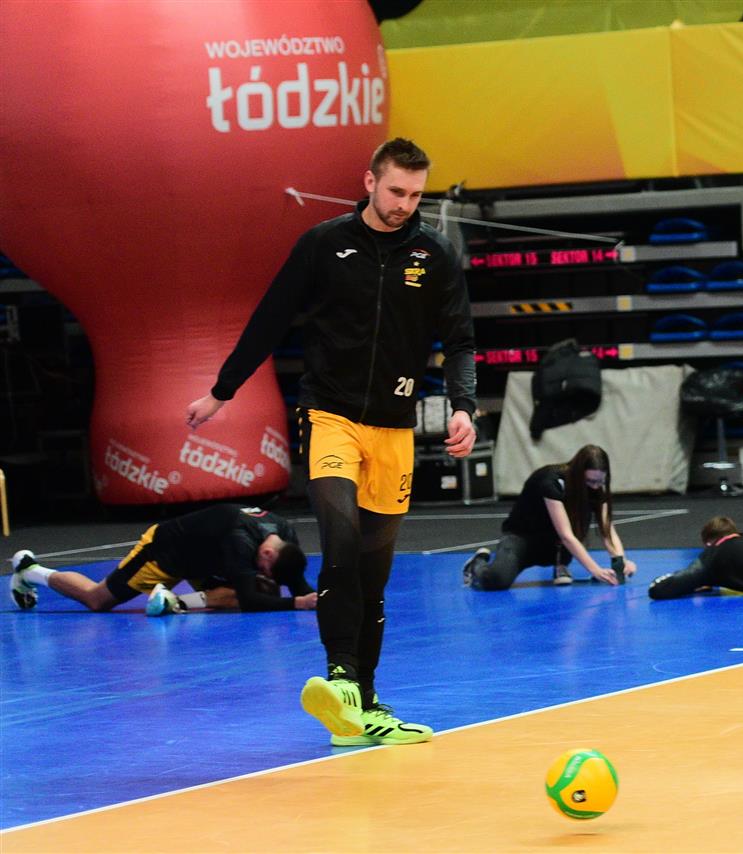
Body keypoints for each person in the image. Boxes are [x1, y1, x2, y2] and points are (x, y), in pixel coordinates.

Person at [186, 138, 477, 747]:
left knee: (374, 573)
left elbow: (460, 341)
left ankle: (363, 707)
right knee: (340, 540)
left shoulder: (435, 254)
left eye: (416, 194)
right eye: (396, 191)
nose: (405, 204)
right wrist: (222, 391)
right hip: (329, 415)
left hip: (394, 429)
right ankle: (341, 678)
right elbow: (270, 319)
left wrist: (463, 406)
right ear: (369, 181)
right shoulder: (322, 244)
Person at [8, 504, 313, 614]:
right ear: (268, 553)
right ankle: (29, 570)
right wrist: (298, 603)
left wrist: (316, 598)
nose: (263, 571)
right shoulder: (241, 539)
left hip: (204, 558)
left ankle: (172, 602)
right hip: (165, 552)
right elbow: (250, 601)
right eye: (265, 568)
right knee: (97, 600)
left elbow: (297, 583)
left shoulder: (284, 534)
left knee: (264, 589)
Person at [463, 444, 637, 590]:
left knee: (582, 512)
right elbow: (566, 535)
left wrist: (620, 562)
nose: (595, 487)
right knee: (497, 580)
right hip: (522, 540)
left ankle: (560, 563)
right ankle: (476, 564)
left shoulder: (596, 489)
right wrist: (595, 570)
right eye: (590, 481)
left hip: (556, 547)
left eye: (600, 482)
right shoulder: (550, 481)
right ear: (578, 474)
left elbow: (607, 530)